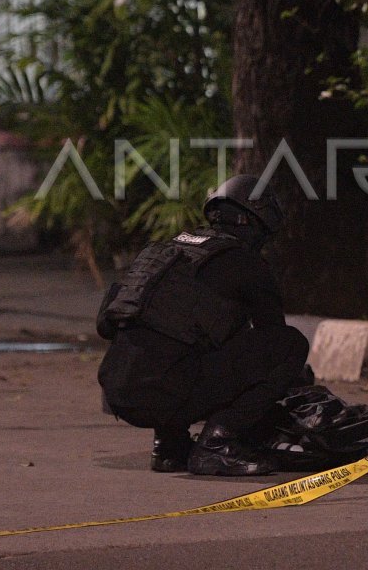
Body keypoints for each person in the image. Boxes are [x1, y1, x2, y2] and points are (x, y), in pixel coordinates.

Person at [97, 174, 309, 476]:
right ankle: (216, 444)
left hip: (117, 390)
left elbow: (107, 325)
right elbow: (272, 337)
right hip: (167, 392)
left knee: (177, 341)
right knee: (290, 345)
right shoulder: (245, 262)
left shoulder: (163, 251)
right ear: (255, 223)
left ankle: (169, 447)